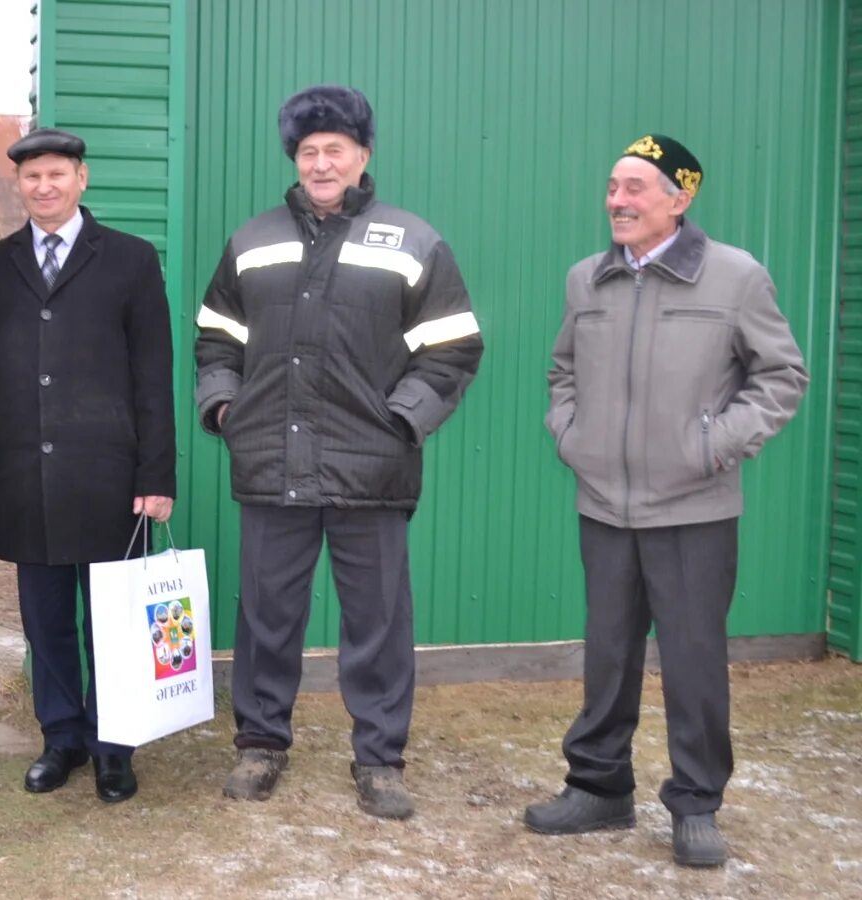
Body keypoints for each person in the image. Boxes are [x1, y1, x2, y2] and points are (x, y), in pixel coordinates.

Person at [193, 85, 483, 818]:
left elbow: (452, 350)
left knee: (378, 621)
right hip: (270, 463)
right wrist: (226, 407)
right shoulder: (252, 240)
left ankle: (380, 757)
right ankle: (260, 744)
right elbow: (216, 338)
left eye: (335, 150)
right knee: (266, 616)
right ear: (295, 158)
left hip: (372, 467)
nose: (321, 164)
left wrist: (401, 422)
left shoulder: (414, 243)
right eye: (308, 151)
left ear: (363, 156)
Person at [525, 135, 808, 867]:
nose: (617, 200)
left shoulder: (735, 277)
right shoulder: (586, 279)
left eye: (636, 188)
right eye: (612, 186)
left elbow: (781, 377)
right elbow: (562, 371)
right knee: (608, 654)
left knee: (693, 659)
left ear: (680, 200)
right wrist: (572, 435)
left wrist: (712, 446)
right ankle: (598, 787)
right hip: (604, 503)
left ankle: (696, 802)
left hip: (694, 509)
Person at [0, 128, 177, 803]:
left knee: (112, 617)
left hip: (110, 477)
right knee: (46, 620)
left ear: (81, 178)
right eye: (32, 177)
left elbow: (152, 375)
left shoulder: (131, 260)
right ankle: (62, 738)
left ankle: (114, 745)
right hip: (25, 477)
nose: (44, 187)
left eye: (56, 174)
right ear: (19, 186)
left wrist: (156, 477)